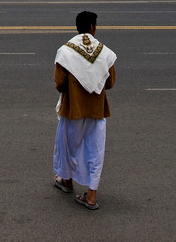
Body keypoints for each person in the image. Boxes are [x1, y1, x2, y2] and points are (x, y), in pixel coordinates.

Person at [53, 11, 116, 211]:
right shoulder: (104, 52)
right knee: (95, 151)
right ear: (92, 27)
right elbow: (110, 82)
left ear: (77, 27)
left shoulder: (66, 51)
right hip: (97, 111)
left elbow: (59, 82)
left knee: (69, 146)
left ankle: (67, 181)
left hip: (73, 110)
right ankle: (91, 196)